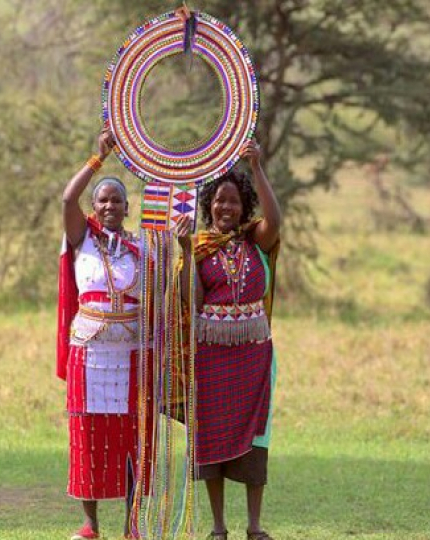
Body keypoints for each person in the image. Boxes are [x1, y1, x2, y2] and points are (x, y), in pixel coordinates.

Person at [174, 139, 281, 540]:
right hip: (211, 357)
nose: (226, 208)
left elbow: (277, 220)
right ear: (209, 206)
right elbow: (193, 300)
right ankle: (218, 527)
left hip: (254, 357)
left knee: (256, 437)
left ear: (245, 206)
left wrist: (257, 167)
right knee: (212, 438)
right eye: (219, 201)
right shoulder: (199, 247)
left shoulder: (257, 240)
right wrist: (184, 249)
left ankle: (254, 526)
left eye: (234, 202)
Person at [56, 124, 149, 540]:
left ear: (128, 207)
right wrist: (98, 160)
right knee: (87, 435)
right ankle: (91, 525)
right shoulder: (83, 238)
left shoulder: (142, 247)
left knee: (133, 439)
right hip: (89, 354)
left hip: (130, 353)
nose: (110, 205)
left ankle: (133, 525)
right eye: (103, 200)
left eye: (117, 200)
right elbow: (66, 198)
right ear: (95, 206)